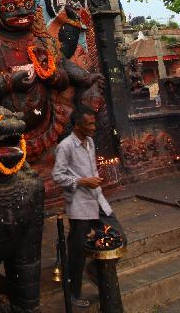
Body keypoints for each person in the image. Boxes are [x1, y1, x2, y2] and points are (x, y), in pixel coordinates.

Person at [53, 110, 125, 308]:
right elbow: (57, 176)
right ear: (77, 125)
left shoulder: (90, 142)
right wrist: (83, 181)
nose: (94, 128)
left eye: (94, 124)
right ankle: (73, 294)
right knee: (77, 253)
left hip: (97, 200)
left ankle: (94, 270)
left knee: (119, 237)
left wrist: (95, 179)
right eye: (90, 125)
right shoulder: (65, 147)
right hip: (79, 205)